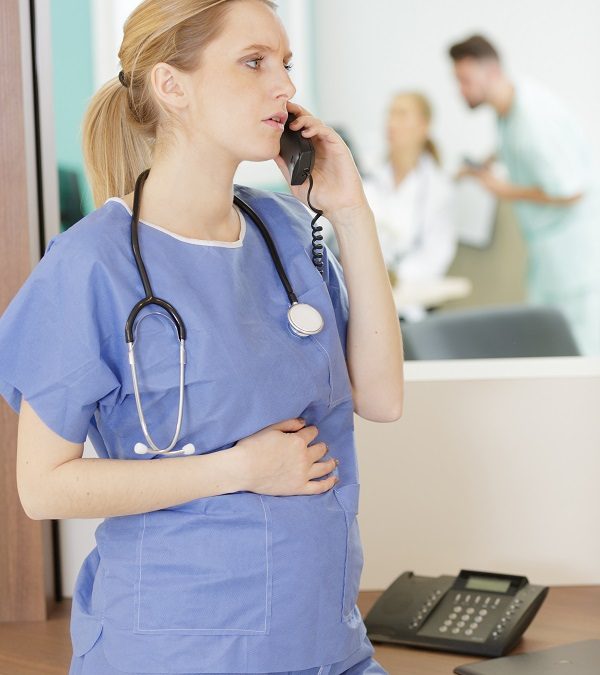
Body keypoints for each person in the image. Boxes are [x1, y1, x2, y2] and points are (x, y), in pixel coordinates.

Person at [0, 1, 404, 673]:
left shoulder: (282, 231)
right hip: (180, 649)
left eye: (285, 64)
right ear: (171, 86)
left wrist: (351, 212)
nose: (285, 86)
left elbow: (383, 398)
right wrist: (239, 468)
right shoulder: (91, 265)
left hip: (325, 644)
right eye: (253, 62)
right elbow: (43, 488)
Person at [450, 34, 600, 355]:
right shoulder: (510, 109)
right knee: (551, 351)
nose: (460, 90)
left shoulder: (534, 120)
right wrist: (482, 165)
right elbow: (515, 148)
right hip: (549, 258)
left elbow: (572, 191)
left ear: (491, 73)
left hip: (572, 262)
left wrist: (505, 190)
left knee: (583, 360)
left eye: (465, 80)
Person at [362, 91, 457, 320]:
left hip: (407, 300)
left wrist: (393, 277)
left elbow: (436, 254)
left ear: (424, 126)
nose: (391, 122)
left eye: (402, 114)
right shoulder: (368, 174)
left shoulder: (438, 188)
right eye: (390, 113)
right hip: (359, 287)